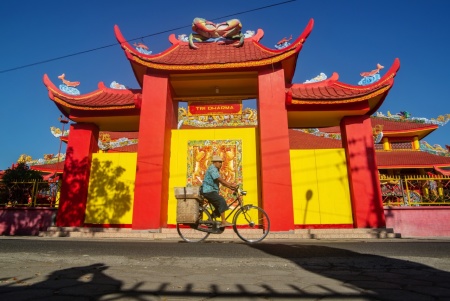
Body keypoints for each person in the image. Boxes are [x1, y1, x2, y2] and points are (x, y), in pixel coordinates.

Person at [202, 155, 238, 227]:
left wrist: (230, 186)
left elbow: (222, 182)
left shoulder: (215, 169)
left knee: (219, 207)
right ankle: (223, 222)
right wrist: (230, 185)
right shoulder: (213, 169)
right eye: (219, 162)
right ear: (215, 162)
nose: (221, 164)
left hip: (211, 191)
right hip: (208, 191)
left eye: (221, 162)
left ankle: (209, 220)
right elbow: (220, 180)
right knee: (221, 201)